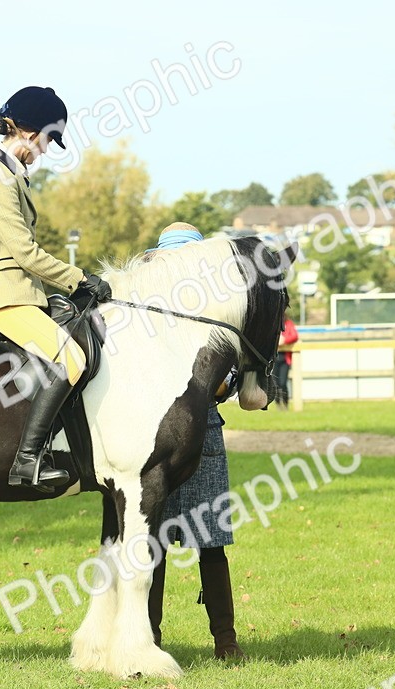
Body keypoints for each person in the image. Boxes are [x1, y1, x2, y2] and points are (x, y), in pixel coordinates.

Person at [0, 85, 112, 491]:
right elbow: (25, 253)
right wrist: (79, 278)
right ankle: (28, 460)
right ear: (29, 132)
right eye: (47, 140)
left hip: (22, 293)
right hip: (2, 296)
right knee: (71, 360)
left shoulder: (10, 174)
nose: (46, 150)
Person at [144, 222, 245, 660]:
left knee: (186, 543)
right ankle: (217, 642)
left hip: (171, 434)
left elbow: (233, 378)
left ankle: (218, 640)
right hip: (176, 433)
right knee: (173, 543)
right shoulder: (211, 313)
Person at [274, 317, 299, 409]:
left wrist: (284, 340)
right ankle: (278, 405)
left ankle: (285, 404)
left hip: (285, 358)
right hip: (273, 359)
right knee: (275, 383)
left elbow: (294, 336)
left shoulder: (288, 323)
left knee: (283, 383)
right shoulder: (272, 322)